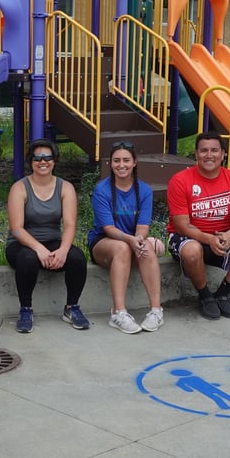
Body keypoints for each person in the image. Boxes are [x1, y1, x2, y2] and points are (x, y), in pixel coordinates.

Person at [166, 131, 230, 320]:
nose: (209, 155)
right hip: (187, 238)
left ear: (223, 154)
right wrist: (209, 239)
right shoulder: (180, 180)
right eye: (203, 151)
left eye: (214, 150)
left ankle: (222, 295)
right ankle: (205, 297)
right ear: (196, 154)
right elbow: (181, 225)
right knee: (192, 250)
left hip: (221, 238)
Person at [5, 138, 89, 332]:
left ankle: (72, 307)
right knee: (28, 259)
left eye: (47, 157)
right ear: (31, 161)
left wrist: (63, 251)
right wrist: (38, 248)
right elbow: (16, 228)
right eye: (37, 158)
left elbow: (69, 224)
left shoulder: (65, 187)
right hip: (22, 244)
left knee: (76, 257)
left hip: (53, 240)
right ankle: (26, 309)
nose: (42, 162)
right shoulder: (19, 188)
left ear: (54, 161)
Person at [87, 141, 165, 334]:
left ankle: (156, 311)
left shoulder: (144, 190)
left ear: (134, 163)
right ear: (110, 164)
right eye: (116, 161)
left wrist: (139, 239)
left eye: (126, 160)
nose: (121, 165)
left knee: (146, 245)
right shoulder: (102, 190)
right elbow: (109, 229)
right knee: (123, 248)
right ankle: (118, 312)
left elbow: (143, 226)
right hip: (104, 243)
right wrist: (131, 240)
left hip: (132, 242)